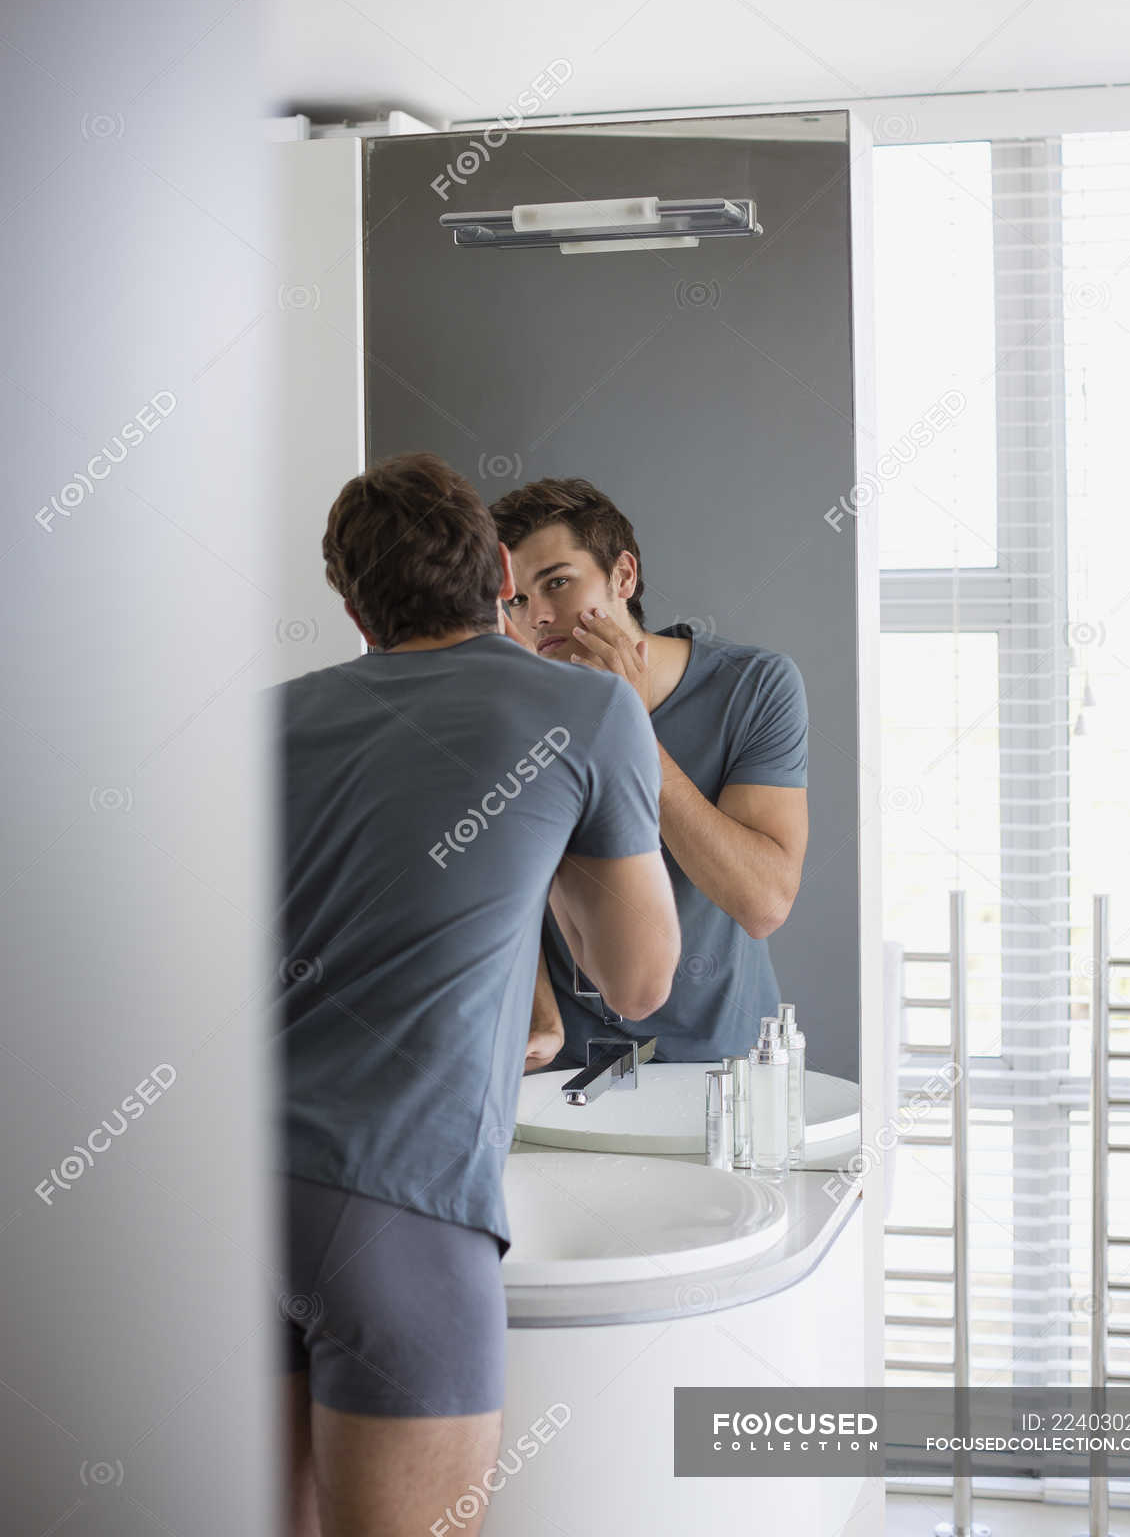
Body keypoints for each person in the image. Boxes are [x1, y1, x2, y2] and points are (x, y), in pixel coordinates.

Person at [270, 453, 679, 1537]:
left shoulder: (266, 721)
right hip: (404, 1209)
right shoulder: (587, 711)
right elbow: (638, 983)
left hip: (224, 1200)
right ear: (500, 571)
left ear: (356, 610)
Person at [490, 477, 809, 1072]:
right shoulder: (514, 709)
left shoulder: (755, 686)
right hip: (563, 1069)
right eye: (515, 600)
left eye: (557, 583)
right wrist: (538, 1011)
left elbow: (763, 902)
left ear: (623, 576)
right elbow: (513, 882)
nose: (537, 617)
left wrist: (629, 732)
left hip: (718, 1067)